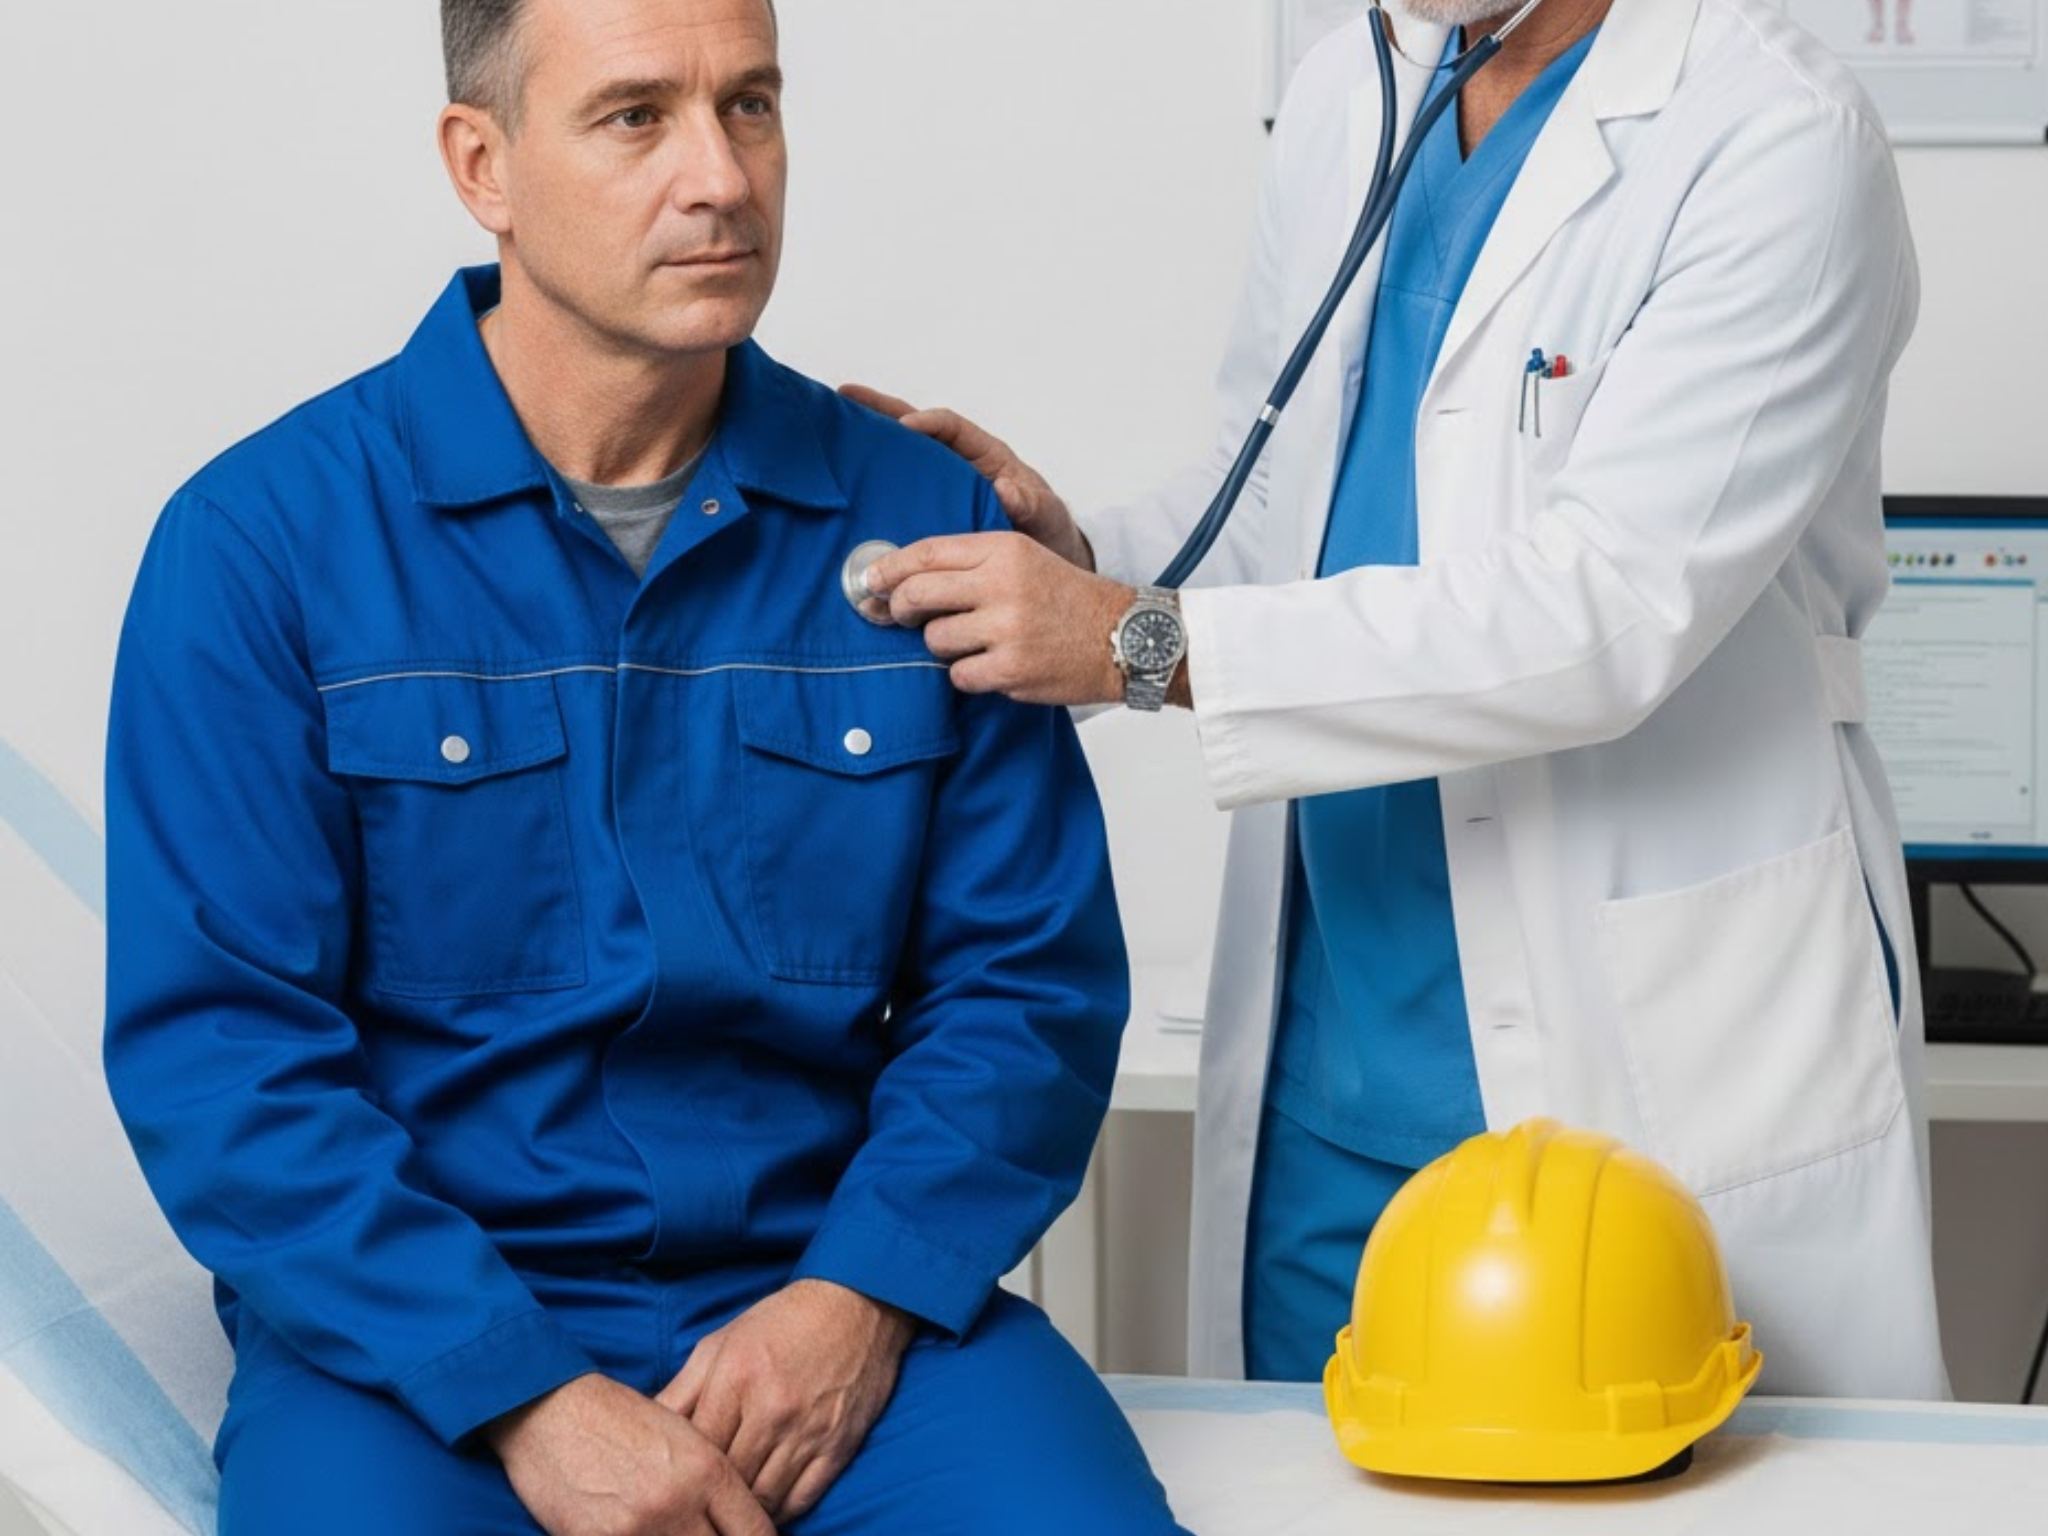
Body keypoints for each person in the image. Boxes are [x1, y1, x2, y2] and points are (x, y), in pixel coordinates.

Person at [103, 1, 1193, 1531]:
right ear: (482, 163)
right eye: (637, 119)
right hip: (419, 1340)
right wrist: (524, 1392)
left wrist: (859, 1303)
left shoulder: (926, 524)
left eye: (750, 106)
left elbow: (1026, 988)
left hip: (833, 1286)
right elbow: (223, 1056)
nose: (722, 179)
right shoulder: (259, 550)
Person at [849, 0, 1950, 1398]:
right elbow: (1280, 510)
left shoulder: (1777, 136)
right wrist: (1076, 564)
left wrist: (1128, 642)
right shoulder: (1346, 101)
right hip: (1336, 1044)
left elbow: (1606, 611)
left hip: (1641, 1047)